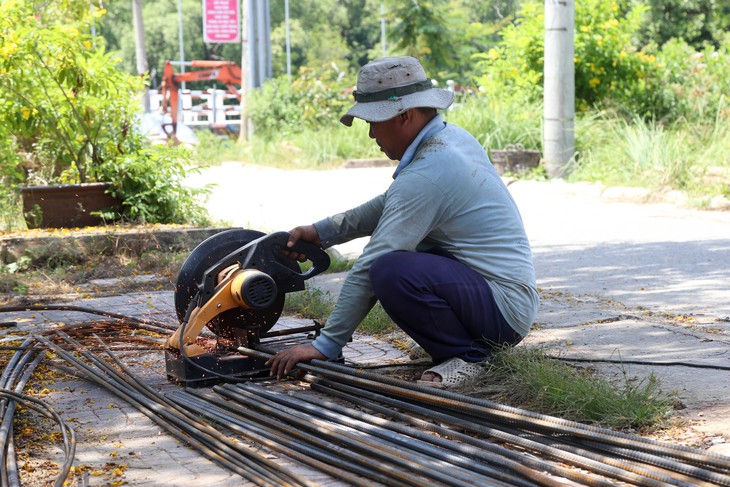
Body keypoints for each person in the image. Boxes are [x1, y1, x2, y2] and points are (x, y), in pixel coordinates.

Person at [267, 56, 538, 388]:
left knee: (389, 269)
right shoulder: (451, 140)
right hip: (498, 293)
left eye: (373, 122)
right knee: (402, 263)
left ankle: (471, 357)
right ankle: (454, 337)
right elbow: (390, 204)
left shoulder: (430, 172)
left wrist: (325, 345)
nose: (369, 134)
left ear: (405, 117)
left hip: (502, 309)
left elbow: (371, 263)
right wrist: (322, 232)